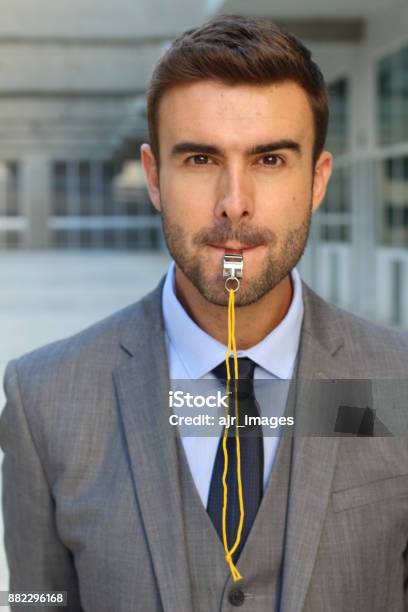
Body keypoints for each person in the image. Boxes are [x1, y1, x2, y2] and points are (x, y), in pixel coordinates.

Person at [1, 13, 408, 612]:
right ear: (154, 177)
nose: (234, 204)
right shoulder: (43, 400)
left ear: (318, 180)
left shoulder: (397, 384)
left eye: (270, 160)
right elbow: (36, 601)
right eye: (199, 160)